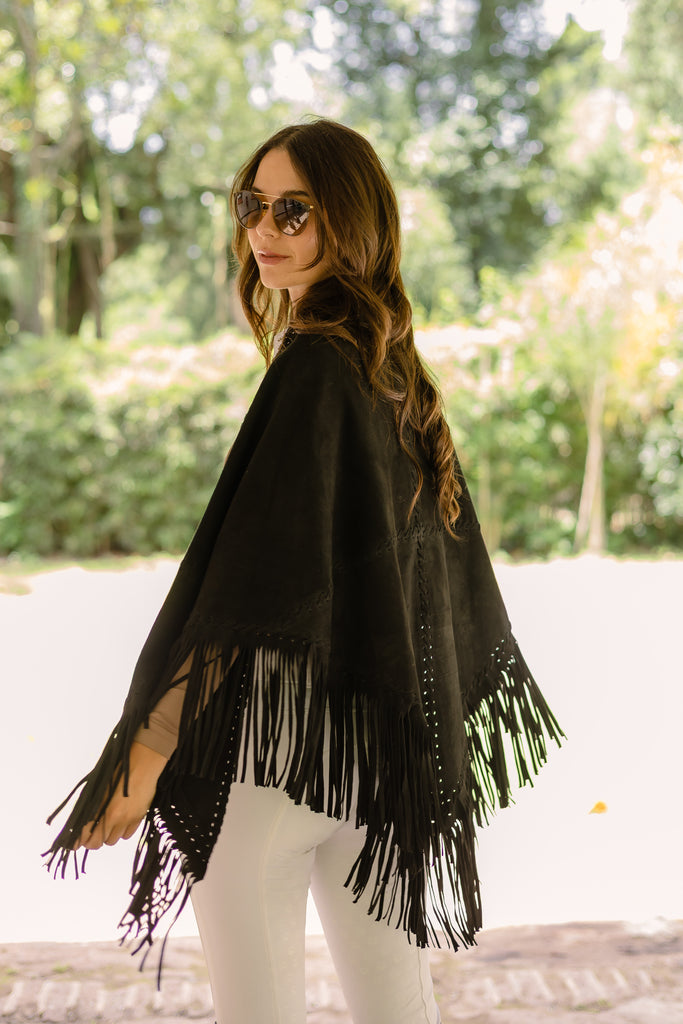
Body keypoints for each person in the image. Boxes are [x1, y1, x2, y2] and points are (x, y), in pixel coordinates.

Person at [45, 118, 563, 1024]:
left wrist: (149, 750)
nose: (264, 230)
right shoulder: (389, 366)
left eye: (295, 211)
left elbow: (252, 581)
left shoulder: (318, 366)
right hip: (367, 761)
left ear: (352, 221)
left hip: (270, 775)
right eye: (253, 205)